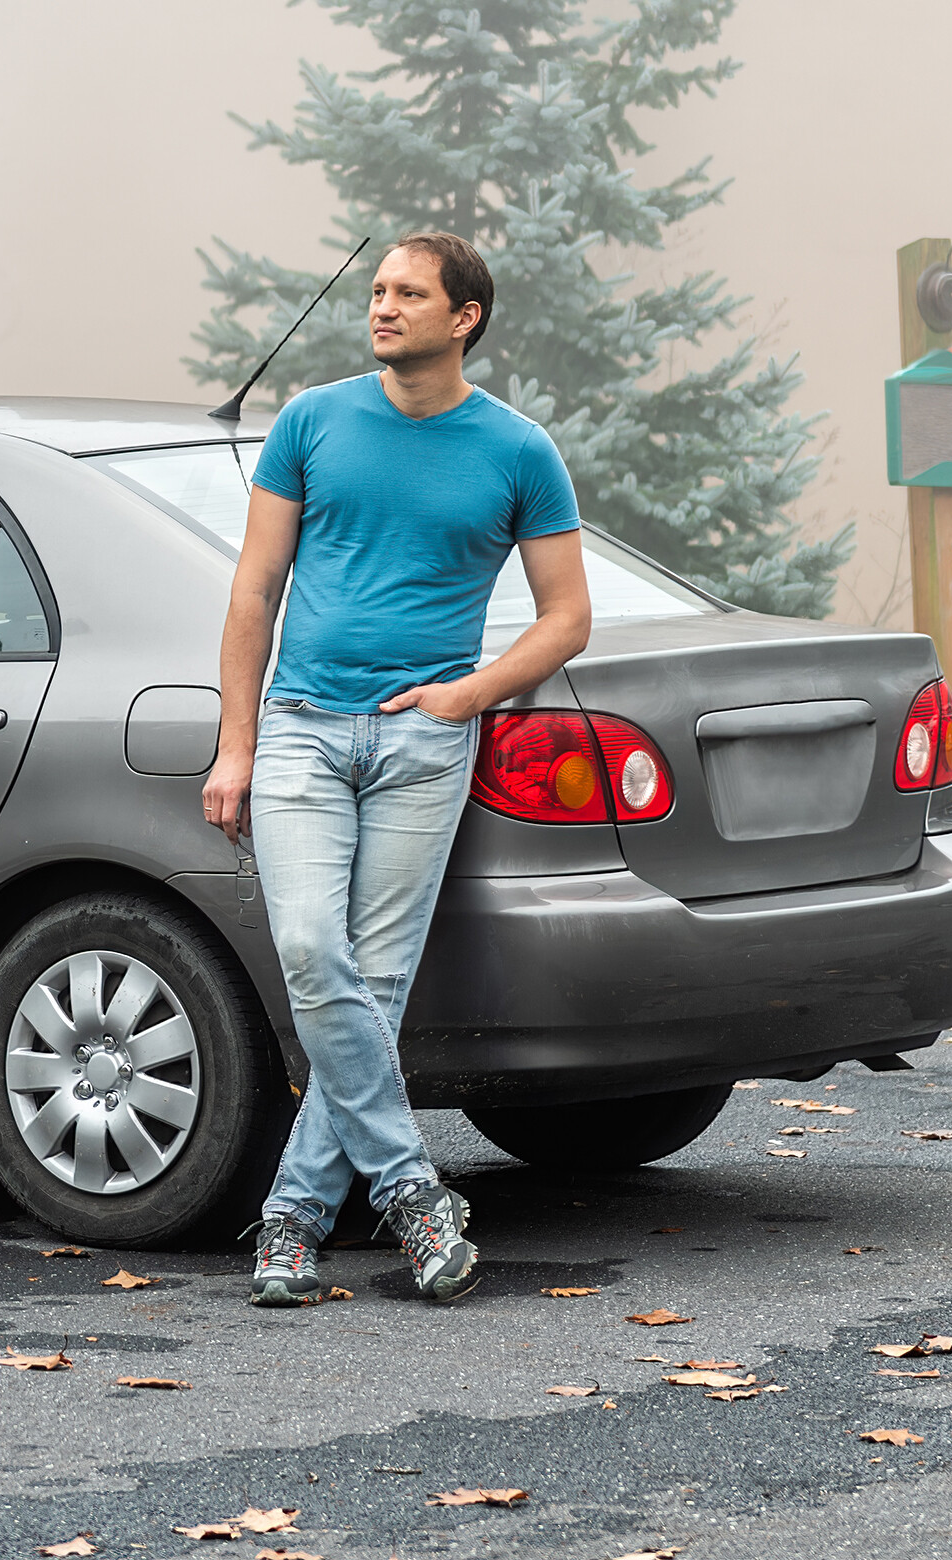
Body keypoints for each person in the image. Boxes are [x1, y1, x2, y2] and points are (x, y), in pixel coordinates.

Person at [205, 232, 590, 1307]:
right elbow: (253, 592)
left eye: (408, 293)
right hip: (301, 729)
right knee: (309, 948)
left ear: (463, 317)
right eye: (376, 290)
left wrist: (466, 696)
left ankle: (290, 1223)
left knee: (371, 988)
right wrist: (237, 742)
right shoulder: (311, 422)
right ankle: (413, 1189)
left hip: (423, 743)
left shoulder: (517, 450)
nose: (381, 307)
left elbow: (567, 616)